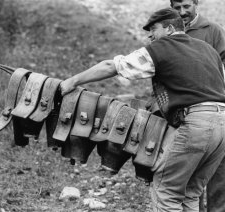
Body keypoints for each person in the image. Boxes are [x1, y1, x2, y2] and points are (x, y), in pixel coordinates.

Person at [60, 8, 225, 212]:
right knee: (190, 192)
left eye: (154, 29)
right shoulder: (208, 50)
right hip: (222, 125)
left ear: (170, 28)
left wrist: (72, 81)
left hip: (197, 124)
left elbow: (111, 66)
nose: (151, 35)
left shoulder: (163, 47)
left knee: (166, 191)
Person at [170, 1, 225, 211]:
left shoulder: (212, 31)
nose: (182, 12)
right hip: (183, 116)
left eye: (186, 6)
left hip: (215, 111)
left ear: (196, 3)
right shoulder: (169, 32)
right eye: (177, 7)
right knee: (189, 177)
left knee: (218, 176)